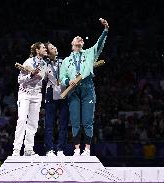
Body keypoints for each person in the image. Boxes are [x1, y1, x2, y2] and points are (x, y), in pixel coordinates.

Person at [59, 18, 109, 156]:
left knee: (87, 120)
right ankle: (76, 149)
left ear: (82, 44)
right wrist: (68, 81)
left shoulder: (89, 54)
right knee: (75, 120)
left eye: (81, 38)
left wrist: (105, 31)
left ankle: (86, 149)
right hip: (73, 90)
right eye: (76, 38)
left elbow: (99, 45)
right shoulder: (66, 61)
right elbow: (61, 78)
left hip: (87, 87)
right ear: (72, 43)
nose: (79, 38)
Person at [12, 42, 48, 156]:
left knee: (33, 123)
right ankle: (16, 149)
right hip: (25, 94)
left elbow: (43, 78)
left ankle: (28, 149)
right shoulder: (28, 62)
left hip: (37, 95)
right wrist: (31, 75)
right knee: (22, 120)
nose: (45, 49)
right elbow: (20, 80)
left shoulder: (44, 64)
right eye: (43, 48)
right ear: (37, 50)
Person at [44, 42, 69, 157]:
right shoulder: (44, 64)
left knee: (63, 124)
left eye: (55, 46)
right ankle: (49, 149)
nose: (55, 48)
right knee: (49, 124)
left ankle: (60, 149)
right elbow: (42, 79)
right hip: (51, 95)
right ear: (48, 53)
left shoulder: (63, 61)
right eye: (52, 48)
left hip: (64, 94)